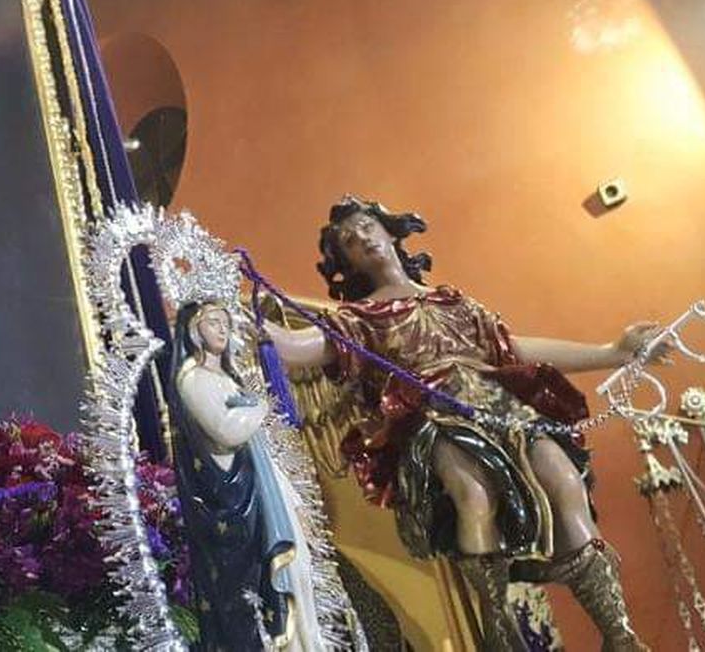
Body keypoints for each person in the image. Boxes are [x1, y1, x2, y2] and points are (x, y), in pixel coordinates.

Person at [263, 196, 662, 650]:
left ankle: (618, 632)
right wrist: (246, 320)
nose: (362, 239)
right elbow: (296, 348)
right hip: (433, 416)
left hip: (497, 402)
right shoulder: (356, 320)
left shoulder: (453, 302)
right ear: (346, 263)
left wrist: (612, 352)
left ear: (392, 232)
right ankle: (496, 622)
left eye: (366, 226)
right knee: (473, 496)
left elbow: (516, 348)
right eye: (349, 242)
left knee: (566, 482)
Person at [167, 300, 325, 650]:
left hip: (267, 491)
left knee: (299, 569)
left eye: (226, 322)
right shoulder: (193, 379)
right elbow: (227, 432)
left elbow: (261, 451)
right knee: (272, 580)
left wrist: (294, 501)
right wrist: (259, 406)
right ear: (194, 331)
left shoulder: (229, 379)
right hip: (236, 499)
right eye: (212, 323)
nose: (222, 329)